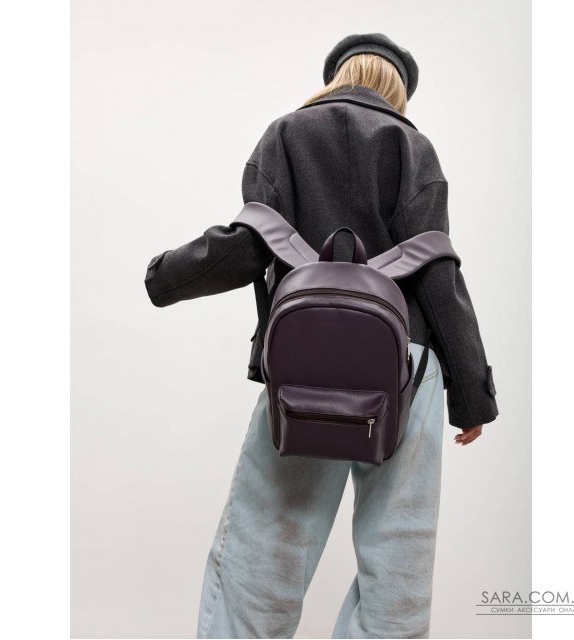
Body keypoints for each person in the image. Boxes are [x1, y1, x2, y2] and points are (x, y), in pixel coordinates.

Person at [144, 33, 498, 639]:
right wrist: (471, 396)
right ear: (397, 91)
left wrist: (164, 277)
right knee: (399, 559)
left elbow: (249, 244)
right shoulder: (414, 146)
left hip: (306, 360)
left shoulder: (287, 133)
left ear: (337, 75)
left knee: (265, 547)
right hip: (406, 362)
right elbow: (439, 274)